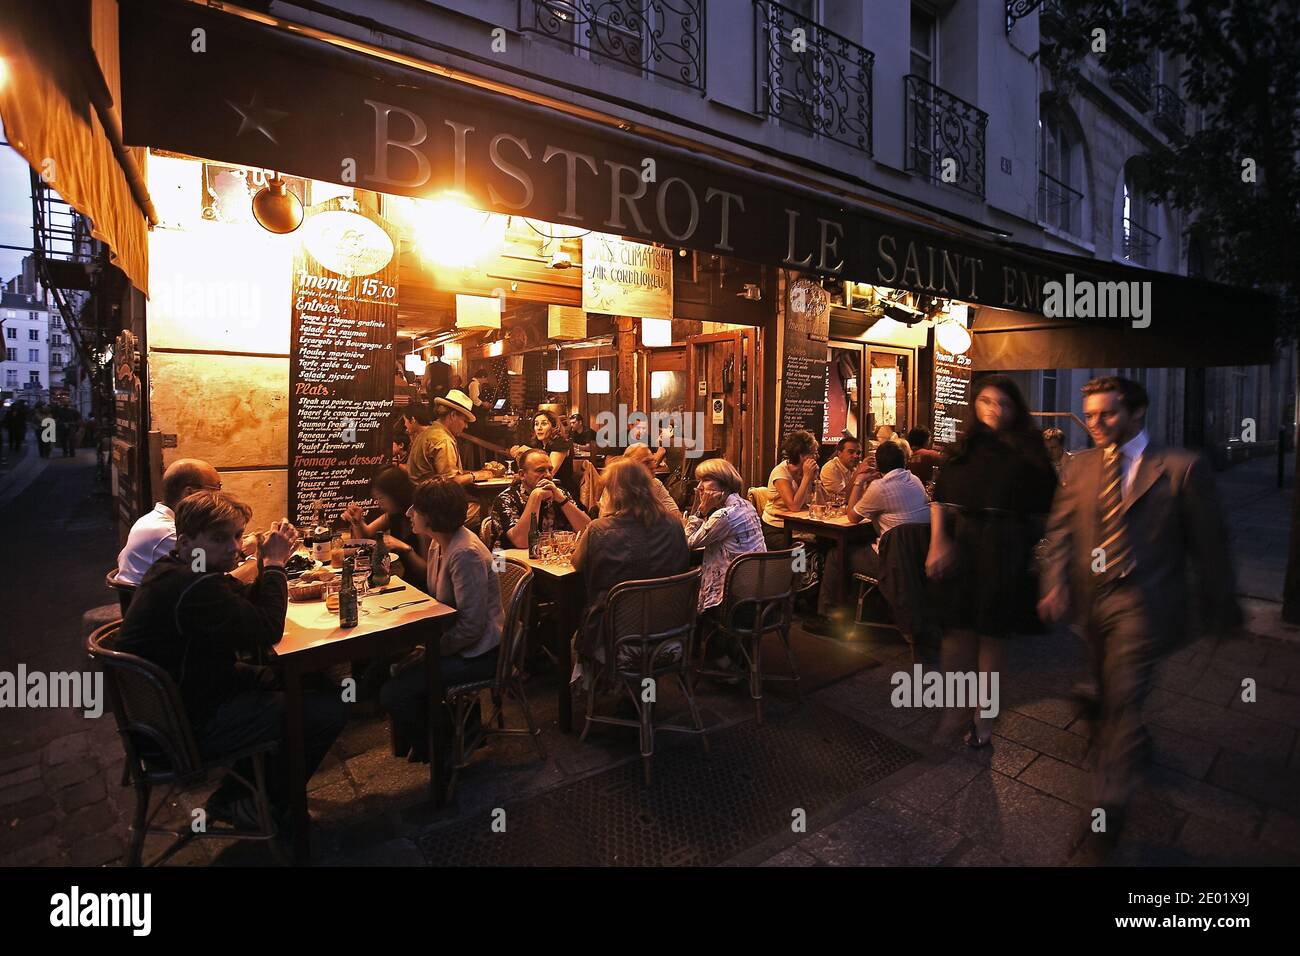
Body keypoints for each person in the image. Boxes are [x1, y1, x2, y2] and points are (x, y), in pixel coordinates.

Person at [1038, 377, 1240, 863]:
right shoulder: (1081, 467)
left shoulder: (1180, 469)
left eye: (1106, 414)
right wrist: (1055, 580)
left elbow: (1210, 546)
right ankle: (1122, 729)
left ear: (1137, 412)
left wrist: (1221, 608)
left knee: (1122, 702)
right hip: (1094, 603)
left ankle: (1106, 813)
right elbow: (1060, 531)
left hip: (1145, 603)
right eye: (1089, 415)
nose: (1095, 424)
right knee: (1106, 689)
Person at [116, 491, 346, 828]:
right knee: (329, 708)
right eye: (220, 538)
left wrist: (267, 563)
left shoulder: (179, 568)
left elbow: (243, 607)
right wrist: (277, 564)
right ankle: (262, 803)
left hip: (188, 698)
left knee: (309, 681)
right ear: (186, 540)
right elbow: (267, 629)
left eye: (238, 535)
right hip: (184, 727)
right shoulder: (192, 586)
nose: (234, 547)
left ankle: (236, 795)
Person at [925, 375, 1057, 748]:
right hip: (964, 540)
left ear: (1015, 409)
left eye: (1002, 403)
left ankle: (985, 715)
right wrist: (938, 542)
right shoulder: (963, 448)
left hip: (1006, 545)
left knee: (992, 635)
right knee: (956, 630)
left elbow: (1046, 509)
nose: (993, 410)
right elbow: (941, 497)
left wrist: (1039, 552)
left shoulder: (1029, 451)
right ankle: (955, 706)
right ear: (975, 405)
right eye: (986, 401)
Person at [380, 478, 504, 764]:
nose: (409, 513)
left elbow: (471, 627)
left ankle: (442, 755)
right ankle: (452, 738)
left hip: (482, 652)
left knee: (394, 692)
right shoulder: (440, 544)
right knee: (391, 668)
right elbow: (440, 601)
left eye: (417, 508)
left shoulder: (464, 554)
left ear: (433, 515)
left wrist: (430, 651)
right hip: (460, 644)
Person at [572, 457, 689, 668]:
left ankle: (599, 686)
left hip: (617, 639)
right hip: (671, 631)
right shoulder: (674, 524)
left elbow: (576, 564)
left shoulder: (599, 530)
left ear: (615, 492)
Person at [117, 458, 260, 586]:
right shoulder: (169, 533)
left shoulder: (155, 520)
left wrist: (242, 550)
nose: (220, 495)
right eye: (216, 488)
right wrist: (259, 559)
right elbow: (211, 585)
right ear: (190, 493)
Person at [844, 440, 930, 577]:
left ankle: (835, 599)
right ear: (904, 461)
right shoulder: (915, 480)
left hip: (892, 562)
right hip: (919, 559)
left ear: (878, 465)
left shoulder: (880, 487)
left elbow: (852, 517)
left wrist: (859, 481)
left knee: (836, 555)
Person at [487, 448, 591, 549]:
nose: (548, 475)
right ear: (522, 475)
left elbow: (588, 532)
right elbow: (522, 542)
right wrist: (535, 497)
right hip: (514, 564)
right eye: (540, 470)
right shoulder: (506, 499)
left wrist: (562, 500)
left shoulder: (560, 493)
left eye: (550, 469)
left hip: (551, 560)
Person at [406, 391, 484, 524]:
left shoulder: (429, 432)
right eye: (464, 421)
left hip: (420, 501)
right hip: (434, 507)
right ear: (453, 415)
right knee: (486, 510)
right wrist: (477, 476)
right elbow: (449, 482)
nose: (466, 426)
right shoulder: (443, 440)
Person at [342, 465, 428, 583]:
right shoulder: (395, 514)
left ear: (396, 494)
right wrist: (357, 521)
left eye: (381, 498)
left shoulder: (420, 517)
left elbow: (427, 572)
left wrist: (406, 549)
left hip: (420, 588)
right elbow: (366, 537)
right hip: (400, 580)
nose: (378, 504)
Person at [761, 429, 821, 550]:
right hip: (776, 529)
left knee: (827, 542)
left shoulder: (808, 472)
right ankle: (798, 569)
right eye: (813, 453)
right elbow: (794, 507)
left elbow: (822, 504)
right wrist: (806, 478)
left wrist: (816, 482)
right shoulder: (781, 473)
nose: (817, 456)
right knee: (801, 550)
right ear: (802, 456)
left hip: (800, 528)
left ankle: (815, 568)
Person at [513, 410, 580, 503]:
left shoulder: (561, 443)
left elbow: (549, 473)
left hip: (562, 492)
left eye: (544, 424)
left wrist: (528, 451)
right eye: (536, 424)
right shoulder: (539, 445)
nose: (539, 428)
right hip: (542, 488)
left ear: (554, 427)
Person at [597, 444, 679, 517]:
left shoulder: (655, 484)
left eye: (653, 461)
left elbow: (675, 514)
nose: (653, 466)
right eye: (646, 462)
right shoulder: (617, 487)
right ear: (630, 466)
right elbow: (607, 521)